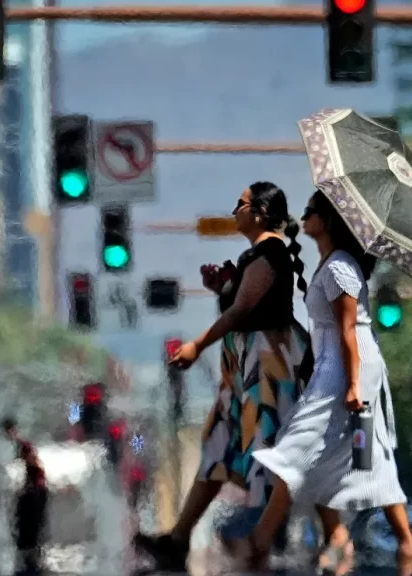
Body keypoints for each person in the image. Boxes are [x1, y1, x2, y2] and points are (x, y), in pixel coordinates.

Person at [227, 190, 412, 575]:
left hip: (349, 368)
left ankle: (261, 540)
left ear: (329, 220)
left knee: (299, 447)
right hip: (338, 365)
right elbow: (332, 330)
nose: (304, 215)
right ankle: (398, 545)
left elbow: (349, 329)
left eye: (311, 210)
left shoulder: (340, 268)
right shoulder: (332, 264)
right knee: (360, 457)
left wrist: (351, 386)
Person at [134, 181, 314, 571]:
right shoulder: (255, 257)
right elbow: (238, 305)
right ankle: (178, 539)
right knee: (219, 446)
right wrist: (221, 288)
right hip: (243, 367)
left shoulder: (271, 254)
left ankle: (261, 539)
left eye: (242, 204)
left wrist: (197, 344)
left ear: (261, 213)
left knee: (267, 451)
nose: (235, 210)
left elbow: (241, 311)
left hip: (265, 368)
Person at [2, 417, 49, 575]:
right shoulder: (19, 445)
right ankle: (29, 557)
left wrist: (28, 488)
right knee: (27, 527)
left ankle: (30, 559)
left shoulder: (22, 446)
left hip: (33, 493)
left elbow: (31, 467)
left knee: (29, 526)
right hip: (32, 492)